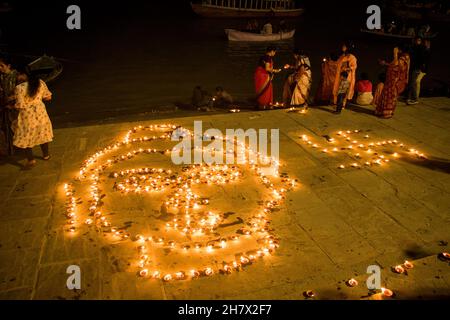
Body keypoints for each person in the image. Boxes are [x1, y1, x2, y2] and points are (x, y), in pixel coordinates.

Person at [11, 71, 53, 167]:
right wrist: (37, 100)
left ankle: (31, 160)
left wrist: (12, 105)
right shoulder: (40, 82)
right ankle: (46, 155)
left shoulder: (19, 88)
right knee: (43, 132)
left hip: (27, 115)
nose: (18, 77)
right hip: (40, 112)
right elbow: (48, 97)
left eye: (19, 74)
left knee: (26, 135)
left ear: (25, 75)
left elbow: (19, 105)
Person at [375, 46, 410, 119]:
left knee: (390, 96)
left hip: (394, 81)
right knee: (387, 94)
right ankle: (382, 111)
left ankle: (387, 113)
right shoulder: (403, 57)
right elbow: (394, 65)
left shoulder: (403, 57)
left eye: (396, 49)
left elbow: (396, 65)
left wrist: (395, 54)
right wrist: (385, 64)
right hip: (391, 80)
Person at [0, 59, 21, 156]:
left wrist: (12, 100)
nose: (0, 68)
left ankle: (22, 148)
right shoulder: (2, 77)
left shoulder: (16, 76)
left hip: (16, 107)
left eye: (2, 66)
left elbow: (22, 91)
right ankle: (12, 149)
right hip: (6, 106)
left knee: (18, 127)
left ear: (8, 65)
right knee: (8, 128)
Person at [333, 42, 357, 107]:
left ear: (347, 48)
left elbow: (354, 66)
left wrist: (346, 69)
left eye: (344, 46)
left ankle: (341, 105)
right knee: (338, 90)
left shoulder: (352, 57)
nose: (342, 47)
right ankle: (336, 104)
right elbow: (337, 64)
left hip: (346, 77)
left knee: (343, 92)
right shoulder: (342, 56)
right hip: (339, 76)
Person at [406, 37, 428, 105]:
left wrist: (421, 68)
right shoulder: (415, 48)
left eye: (419, 40)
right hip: (413, 68)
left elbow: (422, 59)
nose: (417, 41)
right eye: (417, 40)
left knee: (413, 83)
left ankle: (415, 98)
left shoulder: (420, 48)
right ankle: (409, 98)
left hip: (416, 68)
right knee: (411, 83)